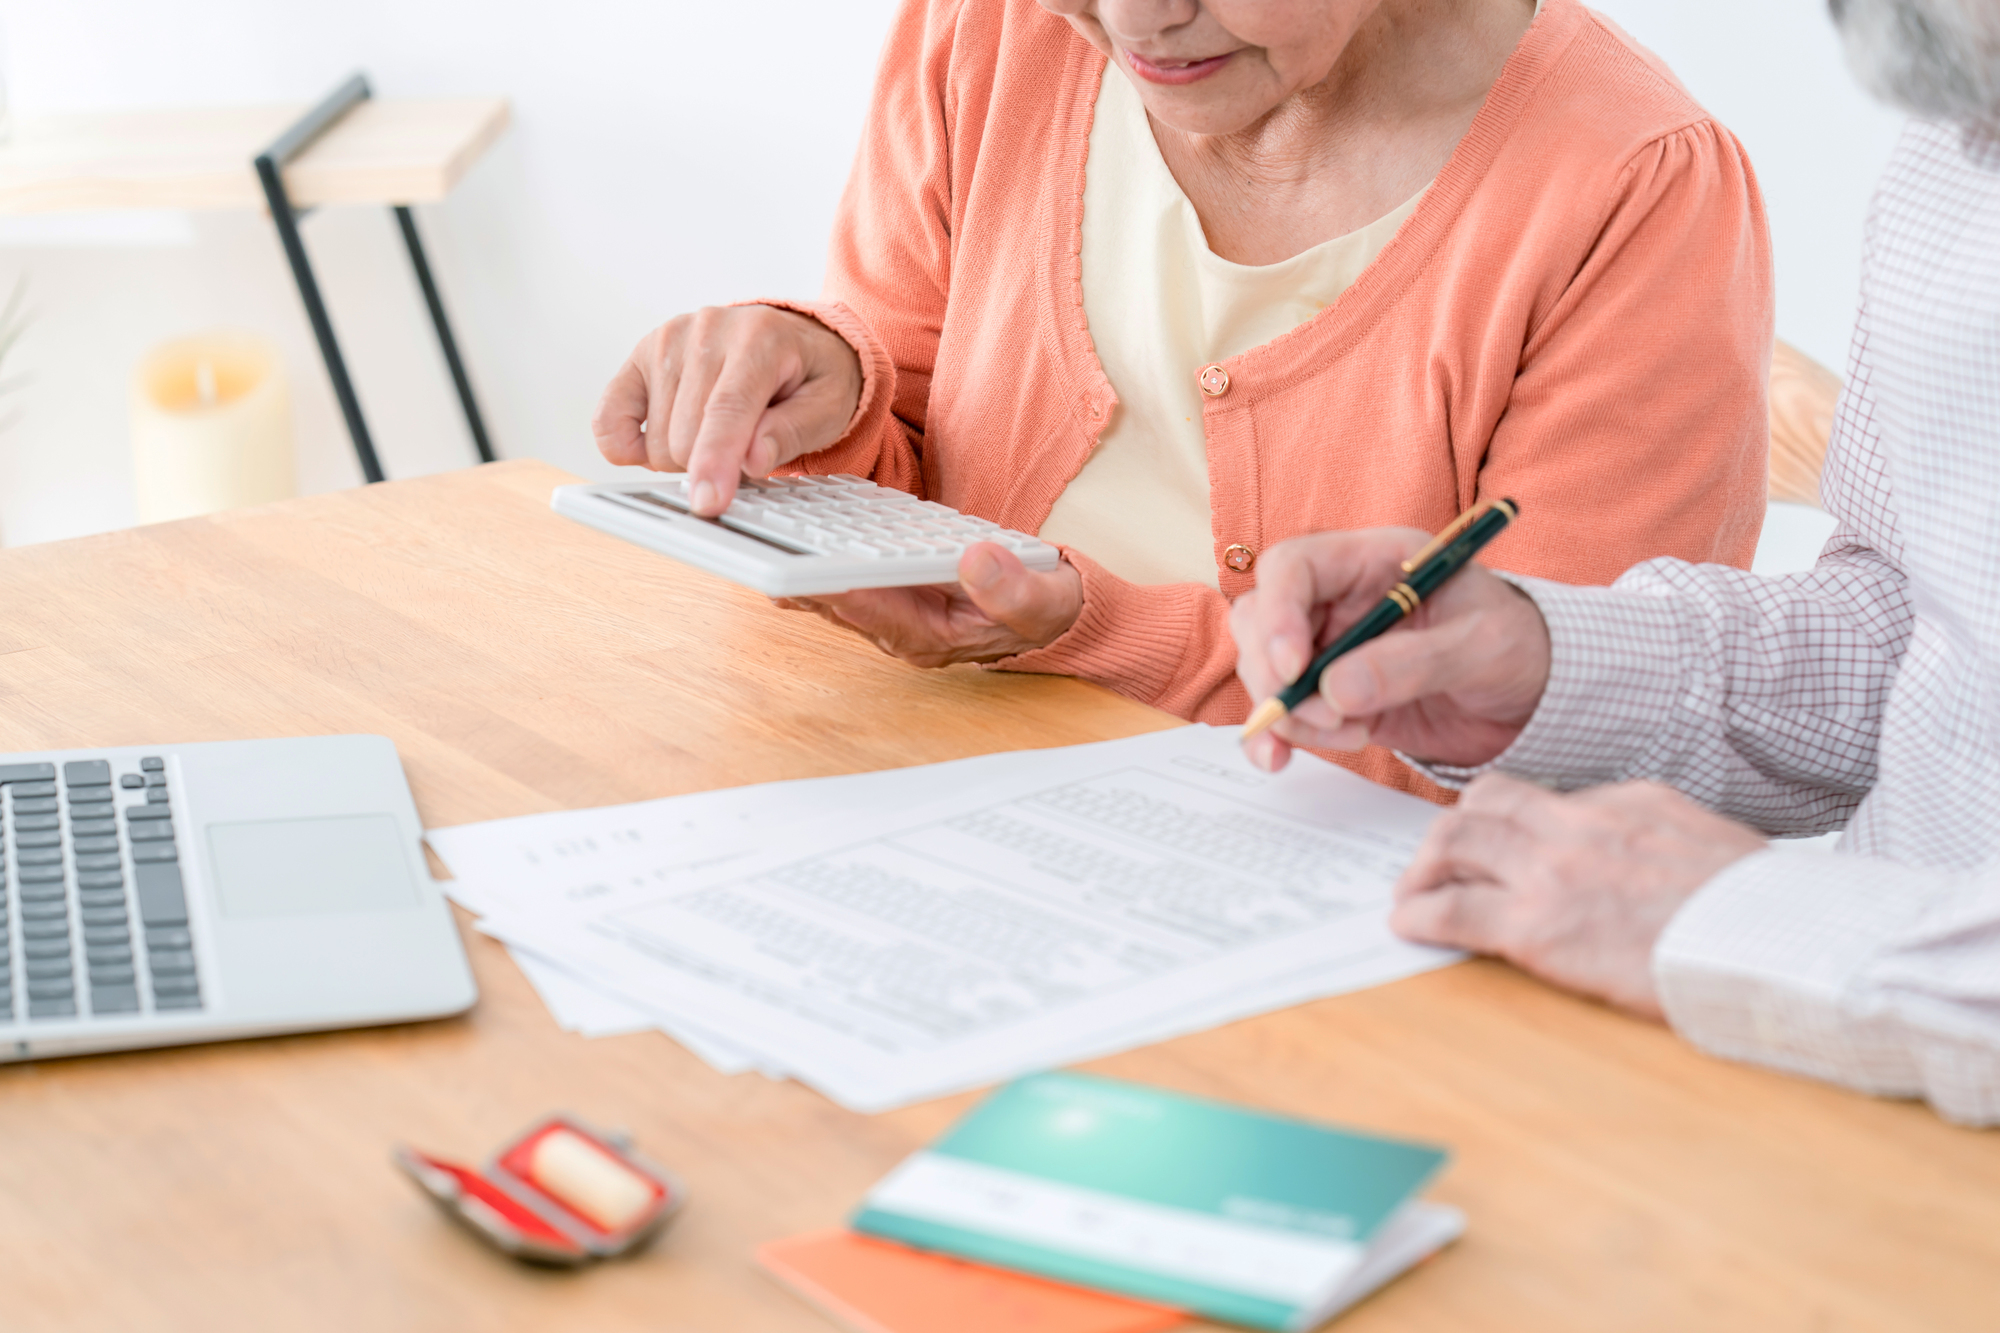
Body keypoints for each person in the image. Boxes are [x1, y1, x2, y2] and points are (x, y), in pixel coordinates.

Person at [594, 0, 1774, 801]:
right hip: (930, 794)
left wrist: (1092, 634)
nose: (1131, 21)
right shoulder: (998, 30)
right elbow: (908, 472)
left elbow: (1550, 754)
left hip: (1338, 944)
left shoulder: (1632, 186)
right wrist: (825, 387)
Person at [1230, 0, 2000, 1126]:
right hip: (1839, 1091)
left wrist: (1749, 920)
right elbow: (1931, 635)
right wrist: (1546, 667)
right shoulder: (1953, 134)